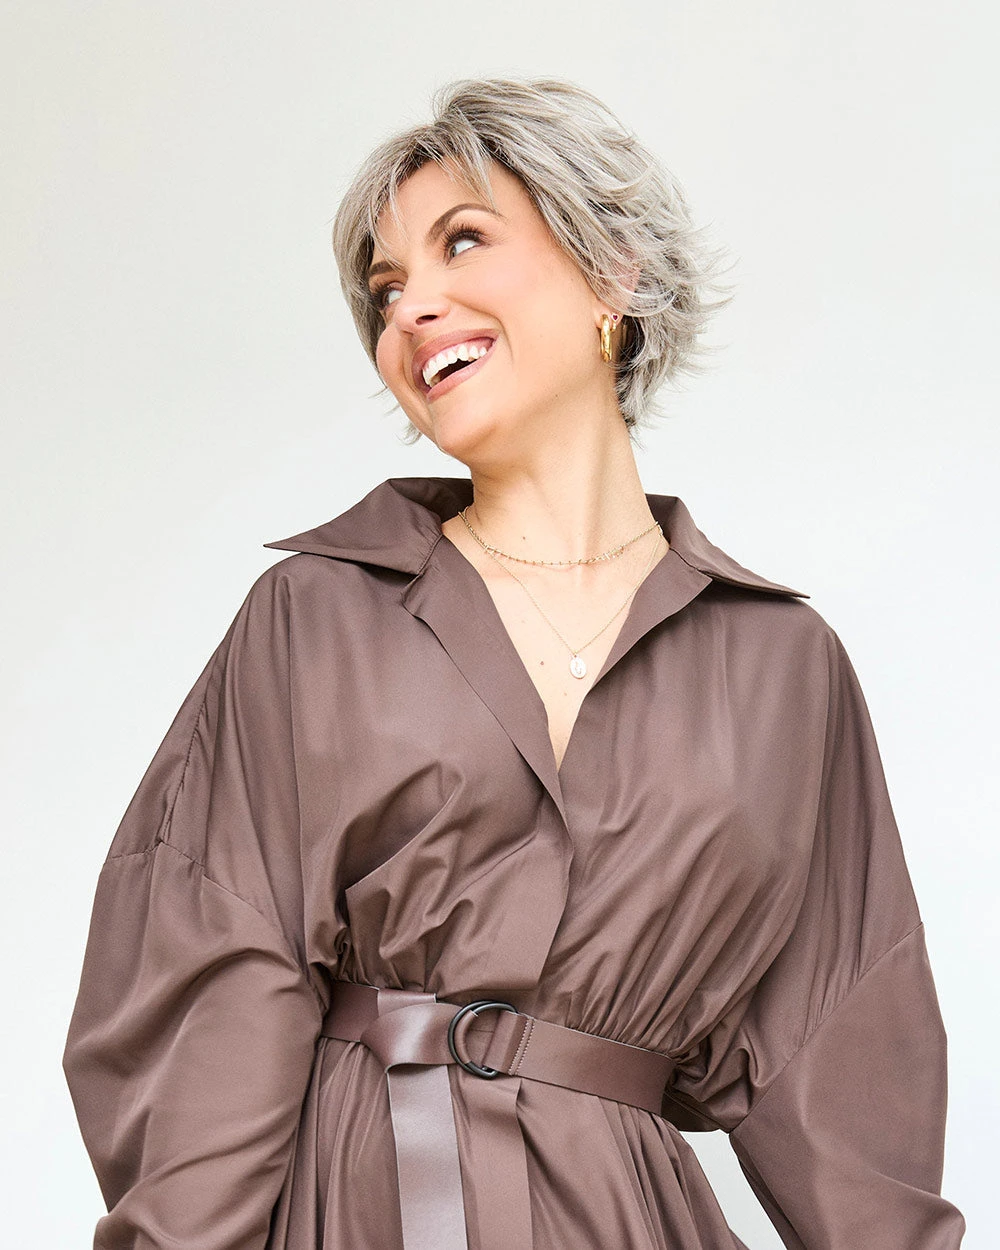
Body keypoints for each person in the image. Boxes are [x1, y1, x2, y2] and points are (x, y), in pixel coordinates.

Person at [63, 76, 966, 1249]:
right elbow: (209, 990)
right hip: (361, 1208)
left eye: (462, 242)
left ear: (611, 273)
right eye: (385, 290)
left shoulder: (784, 666)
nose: (411, 308)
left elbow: (841, 1065)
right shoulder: (316, 615)